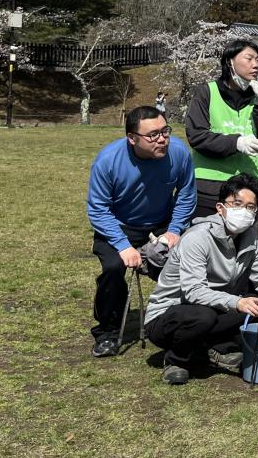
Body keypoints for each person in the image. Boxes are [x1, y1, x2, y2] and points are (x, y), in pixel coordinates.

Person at [144, 173, 258, 385]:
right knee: (203, 316)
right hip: (169, 316)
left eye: (250, 207)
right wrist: (237, 302)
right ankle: (176, 360)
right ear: (220, 208)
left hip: (212, 307)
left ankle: (211, 348)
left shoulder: (250, 238)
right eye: (237, 204)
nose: (244, 211)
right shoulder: (197, 238)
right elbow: (193, 291)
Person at [87, 106, 196, 358]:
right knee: (113, 269)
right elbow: (98, 209)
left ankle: (184, 323)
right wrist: (123, 245)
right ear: (132, 138)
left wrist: (174, 230)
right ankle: (107, 331)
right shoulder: (108, 161)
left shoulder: (179, 153)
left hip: (161, 222)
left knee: (187, 262)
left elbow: (186, 195)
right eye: (153, 135)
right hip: (118, 224)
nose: (162, 139)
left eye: (165, 131)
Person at [185, 39, 258, 217]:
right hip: (209, 186)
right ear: (229, 61)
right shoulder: (207, 92)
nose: (256, 65)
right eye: (249, 58)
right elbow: (197, 136)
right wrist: (236, 143)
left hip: (249, 188)